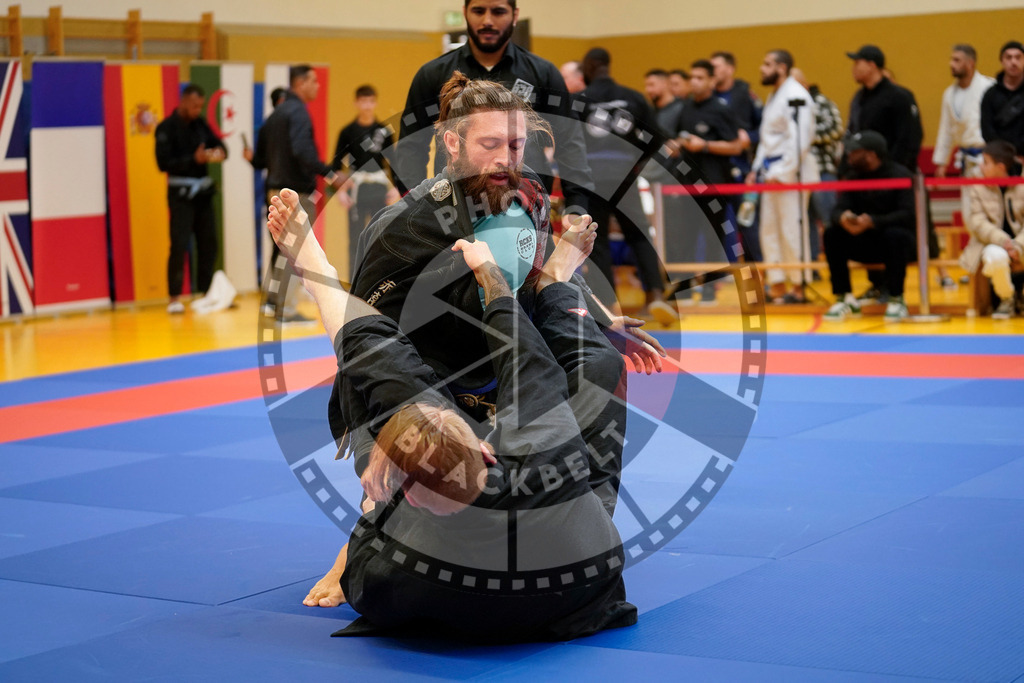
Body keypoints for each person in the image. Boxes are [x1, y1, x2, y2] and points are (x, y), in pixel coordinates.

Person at [266, 187, 637, 642]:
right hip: (581, 582)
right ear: (487, 448)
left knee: (382, 378)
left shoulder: (383, 578)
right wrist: (495, 279)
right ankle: (557, 276)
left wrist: (373, 511)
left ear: (407, 497)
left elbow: (369, 356)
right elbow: (528, 361)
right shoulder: (546, 458)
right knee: (598, 367)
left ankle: (318, 276)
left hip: (461, 572)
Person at [333, 72, 665, 523]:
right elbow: (365, 339)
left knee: (602, 365)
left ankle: (590, 518)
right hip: (435, 370)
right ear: (452, 143)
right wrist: (375, 451)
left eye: (516, 145)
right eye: (489, 145)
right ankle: (369, 530)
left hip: (510, 352)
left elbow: (546, 265)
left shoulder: (528, 191)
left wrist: (600, 323)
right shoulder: (405, 225)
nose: (505, 159)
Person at [394, 0, 594, 227]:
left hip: (528, 210)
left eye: (498, 11)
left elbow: (570, 140)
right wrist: (417, 204)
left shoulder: (542, 73)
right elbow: (411, 146)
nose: (487, 20)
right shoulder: (432, 74)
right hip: (455, 213)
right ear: (465, 13)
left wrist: (577, 205)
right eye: (479, 11)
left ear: (515, 15)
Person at [578, 47, 676, 321]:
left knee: (598, 241)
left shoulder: (577, 100)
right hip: (625, 175)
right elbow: (658, 140)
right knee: (639, 234)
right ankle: (655, 294)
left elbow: (567, 141)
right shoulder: (633, 98)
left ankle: (608, 303)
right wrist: (635, 165)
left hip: (591, 175)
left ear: (590, 66)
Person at [246, 64, 342, 323]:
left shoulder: (274, 116)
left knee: (281, 250)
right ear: (300, 83)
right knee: (295, 252)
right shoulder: (298, 111)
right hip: (293, 193)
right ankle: (285, 311)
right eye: (313, 81)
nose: (317, 86)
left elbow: (260, 161)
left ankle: (272, 304)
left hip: (274, 190)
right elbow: (302, 150)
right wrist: (330, 173)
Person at [845, 44, 926, 299]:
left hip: (894, 178)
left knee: (893, 231)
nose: (853, 67)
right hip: (863, 179)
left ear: (871, 64)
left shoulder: (899, 96)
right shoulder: (859, 99)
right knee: (865, 227)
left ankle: (893, 286)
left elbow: (910, 138)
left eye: (857, 62)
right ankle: (876, 282)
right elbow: (851, 136)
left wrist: (896, 172)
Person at [747, 50, 818, 304]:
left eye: (767, 64)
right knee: (769, 230)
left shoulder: (797, 96)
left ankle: (798, 286)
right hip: (769, 172)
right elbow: (768, 139)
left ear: (782, 67)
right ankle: (777, 284)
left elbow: (801, 139)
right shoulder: (774, 95)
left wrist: (783, 172)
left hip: (790, 173)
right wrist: (756, 169)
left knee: (792, 229)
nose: (762, 68)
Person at [822, 131, 915, 322]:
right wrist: (844, 218)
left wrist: (873, 221)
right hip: (863, 241)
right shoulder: (853, 177)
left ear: (872, 155)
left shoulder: (901, 175)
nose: (849, 156)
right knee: (832, 234)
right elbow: (836, 210)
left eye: (855, 152)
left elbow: (908, 215)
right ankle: (844, 297)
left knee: (896, 235)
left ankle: (897, 298)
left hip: (896, 243)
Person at [674, 59, 744, 305]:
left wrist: (704, 145)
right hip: (687, 183)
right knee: (683, 236)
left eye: (700, 77)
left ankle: (708, 291)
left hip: (714, 184)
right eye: (692, 77)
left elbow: (736, 145)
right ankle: (682, 288)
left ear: (712, 81)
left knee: (712, 237)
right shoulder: (686, 107)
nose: (694, 81)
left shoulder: (721, 109)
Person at [154, 84, 226, 314]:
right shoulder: (166, 128)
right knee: (179, 243)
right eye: (194, 105)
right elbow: (163, 163)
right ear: (183, 101)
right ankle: (174, 297)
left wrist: (218, 152)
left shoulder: (200, 124)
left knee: (208, 242)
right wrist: (193, 159)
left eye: (200, 106)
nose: (197, 110)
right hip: (181, 195)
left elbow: (221, 145)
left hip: (202, 194)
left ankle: (205, 294)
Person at [332, 84, 399, 277]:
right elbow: (336, 165)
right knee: (355, 240)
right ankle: (355, 284)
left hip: (379, 191)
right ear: (356, 103)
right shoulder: (347, 132)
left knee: (379, 238)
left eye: (371, 101)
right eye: (363, 101)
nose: (367, 106)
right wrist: (341, 192)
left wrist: (396, 188)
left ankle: (377, 283)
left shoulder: (383, 131)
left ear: (375, 102)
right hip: (356, 193)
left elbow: (392, 162)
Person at [933, 44, 996, 227]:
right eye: (952, 59)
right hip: (966, 159)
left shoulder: (989, 87)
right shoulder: (949, 94)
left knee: (990, 209)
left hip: (988, 157)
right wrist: (941, 162)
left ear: (970, 63)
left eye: (957, 60)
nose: (951, 64)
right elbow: (945, 130)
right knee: (969, 211)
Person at [962, 140, 1024, 318]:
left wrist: (1018, 245)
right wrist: (1004, 241)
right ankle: (1007, 298)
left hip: (1021, 243)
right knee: (995, 257)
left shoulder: (1022, 184)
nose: (981, 166)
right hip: (992, 243)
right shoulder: (977, 187)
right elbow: (978, 223)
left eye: (986, 162)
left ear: (1000, 167)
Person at [710, 51, 761, 259]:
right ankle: (726, 269)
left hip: (743, 170)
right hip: (717, 170)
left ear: (730, 69)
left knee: (747, 221)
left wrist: (749, 136)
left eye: (717, 66)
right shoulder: (707, 97)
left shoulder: (745, 94)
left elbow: (765, 128)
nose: (713, 71)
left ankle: (758, 268)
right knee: (721, 224)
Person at [792, 67, 843, 266]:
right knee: (805, 221)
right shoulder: (788, 105)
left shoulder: (821, 102)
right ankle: (811, 264)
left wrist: (805, 137)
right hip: (798, 172)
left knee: (829, 219)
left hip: (823, 170)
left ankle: (837, 262)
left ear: (805, 84)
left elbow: (836, 129)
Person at [980, 41, 1024, 155]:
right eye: (1008, 57)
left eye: (1018, 57)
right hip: (1000, 160)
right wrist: (1004, 155)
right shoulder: (990, 95)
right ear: (1002, 61)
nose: (1013, 62)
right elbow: (987, 129)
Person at [644, 68, 685, 138]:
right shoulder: (649, 110)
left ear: (665, 84)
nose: (648, 90)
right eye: (646, 86)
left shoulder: (682, 108)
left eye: (651, 85)